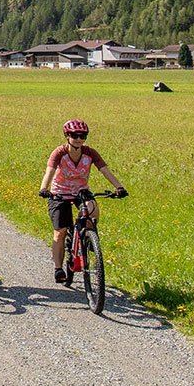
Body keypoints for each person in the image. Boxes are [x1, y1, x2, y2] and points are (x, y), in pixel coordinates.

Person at [37, 119, 127, 285]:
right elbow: (49, 171)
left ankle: (90, 237)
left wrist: (119, 187)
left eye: (83, 135)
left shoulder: (90, 153)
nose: (78, 139)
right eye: (74, 135)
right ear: (67, 136)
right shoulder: (59, 152)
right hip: (60, 193)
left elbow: (105, 170)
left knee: (93, 210)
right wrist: (44, 188)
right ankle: (58, 268)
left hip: (81, 191)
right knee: (60, 231)